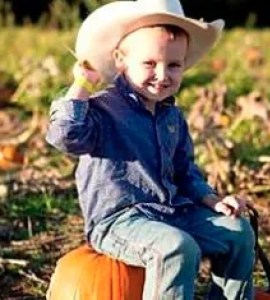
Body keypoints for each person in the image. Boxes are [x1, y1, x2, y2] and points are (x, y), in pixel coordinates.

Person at [46, 0, 255, 299]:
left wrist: (211, 199)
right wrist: (82, 84)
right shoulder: (102, 110)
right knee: (176, 248)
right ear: (120, 60)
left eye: (173, 65)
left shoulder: (172, 117)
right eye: (149, 63)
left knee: (238, 234)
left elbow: (185, 172)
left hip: (171, 213)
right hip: (119, 221)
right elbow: (64, 136)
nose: (162, 74)